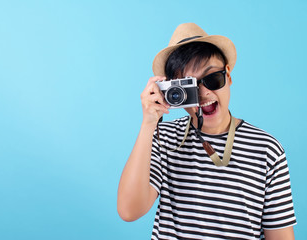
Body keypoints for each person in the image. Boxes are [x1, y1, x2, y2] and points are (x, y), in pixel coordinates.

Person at [117, 23, 296, 240]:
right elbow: (128, 211)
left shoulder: (267, 150)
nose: (203, 93)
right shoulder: (163, 138)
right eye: (188, 87)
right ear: (172, 92)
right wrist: (148, 124)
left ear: (228, 76)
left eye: (212, 79)